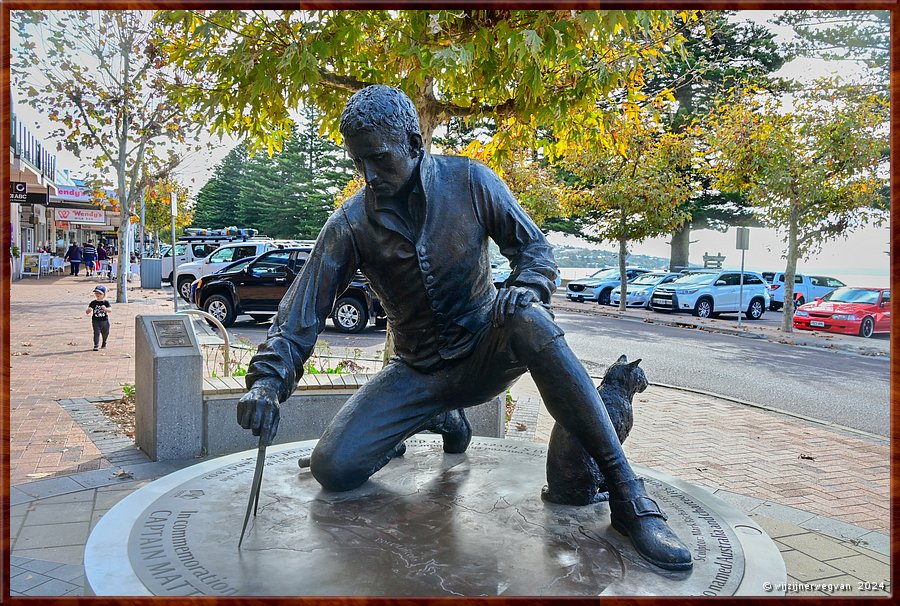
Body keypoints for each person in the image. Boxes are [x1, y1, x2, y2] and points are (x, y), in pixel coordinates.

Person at [237, 85, 692, 571]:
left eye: (379, 159)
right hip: (417, 372)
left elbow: (535, 251)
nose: (368, 176)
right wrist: (267, 382)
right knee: (334, 469)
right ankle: (440, 418)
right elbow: (301, 311)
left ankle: (629, 497)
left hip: (488, 348)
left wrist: (529, 285)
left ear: (414, 143)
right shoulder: (350, 222)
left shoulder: (472, 180)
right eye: (357, 163)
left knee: (528, 317)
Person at [85, 284, 112, 351]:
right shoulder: (93, 303)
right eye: (96, 293)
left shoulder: (106, 302)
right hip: (96, 320)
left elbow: (110, 310)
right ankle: (96, 345)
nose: (98, 295)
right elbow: (88, 310)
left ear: (104, 294)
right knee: (96, 332)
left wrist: (105, 309)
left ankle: (104, 342)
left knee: (105, 332)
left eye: (100, 293)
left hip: (104, 320)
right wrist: (89, 310)